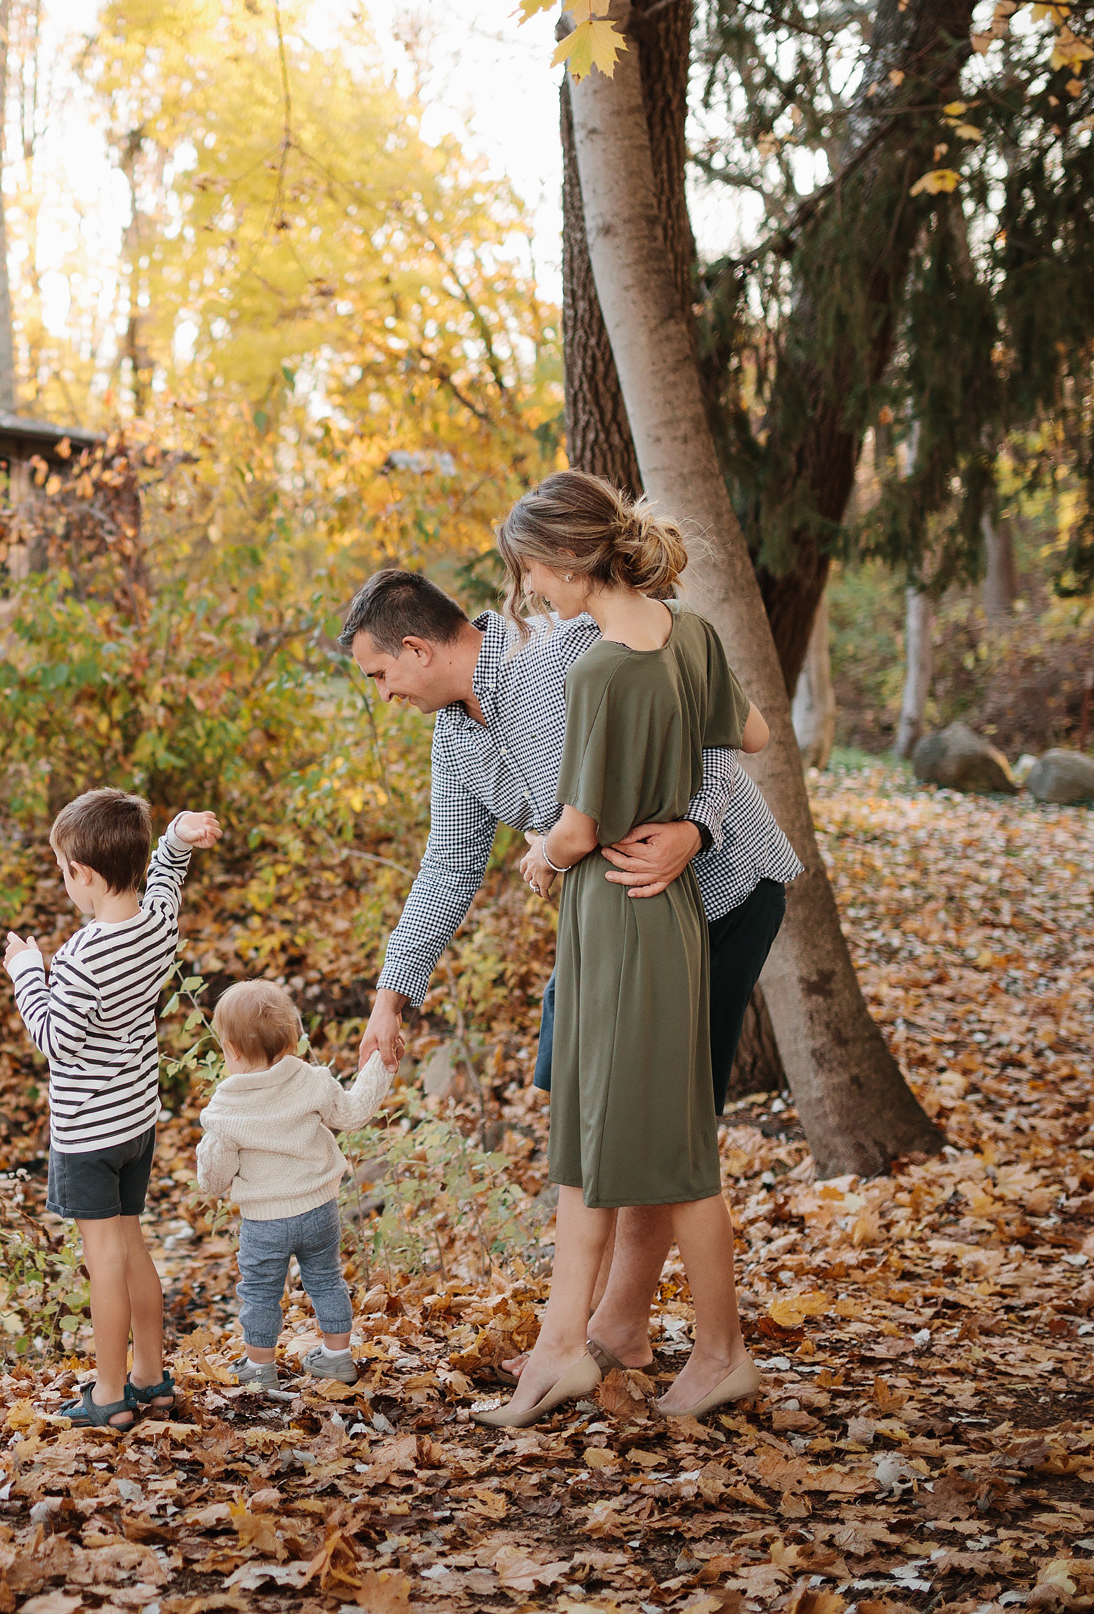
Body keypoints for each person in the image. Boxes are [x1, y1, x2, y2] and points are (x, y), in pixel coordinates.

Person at [341, 562, 801, 1379]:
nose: (385, 693)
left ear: (414, 648)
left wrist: (696, 824)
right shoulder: (456, 736)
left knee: (655, 1116)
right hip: (616, 925)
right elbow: (448, 865)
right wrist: (391, 997)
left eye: (380, 674)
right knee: (576, 1080)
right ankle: (604, 1328)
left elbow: (698, 714)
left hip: (723, 889)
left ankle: (620, 1324)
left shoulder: (559, 652)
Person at [478, 469, 767, 1424]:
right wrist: (684, 806)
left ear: (567, 557)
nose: (533, 597)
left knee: (673, 1147)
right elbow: (753, 733)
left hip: (621, 910)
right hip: (664, 908)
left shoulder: (600, 666)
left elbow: (578, 823)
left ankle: (722, 1352)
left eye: (534, 576)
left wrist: (537, 855)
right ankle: (565, 1345)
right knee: (594, 1133)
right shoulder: (690, 634)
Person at [4, 788, 222, 1430]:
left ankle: (107, 1395)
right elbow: (166, 878)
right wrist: (178, 835)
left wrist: (26, 969)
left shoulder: (80, 957)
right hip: (135, 1122)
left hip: (88, 1133)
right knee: (132, 1243)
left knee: (103, 1257)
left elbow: (51, 1037)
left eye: (63, 870)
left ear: (87, 875)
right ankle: (150, 1378)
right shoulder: (157, 926)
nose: (63, 881)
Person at [194, 980, 397, 1388]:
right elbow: (353, 1113)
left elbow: (213, 1181)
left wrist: (212, 1152)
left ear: (231, 1050)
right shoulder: (310, 1079)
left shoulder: (226, 1106)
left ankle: (259, 1367)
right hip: (319, 1210)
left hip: (265, 1222)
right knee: (325, 1278)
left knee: (261, 1292)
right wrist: (381, 1065)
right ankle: (338, 1357)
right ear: (292, 1039)